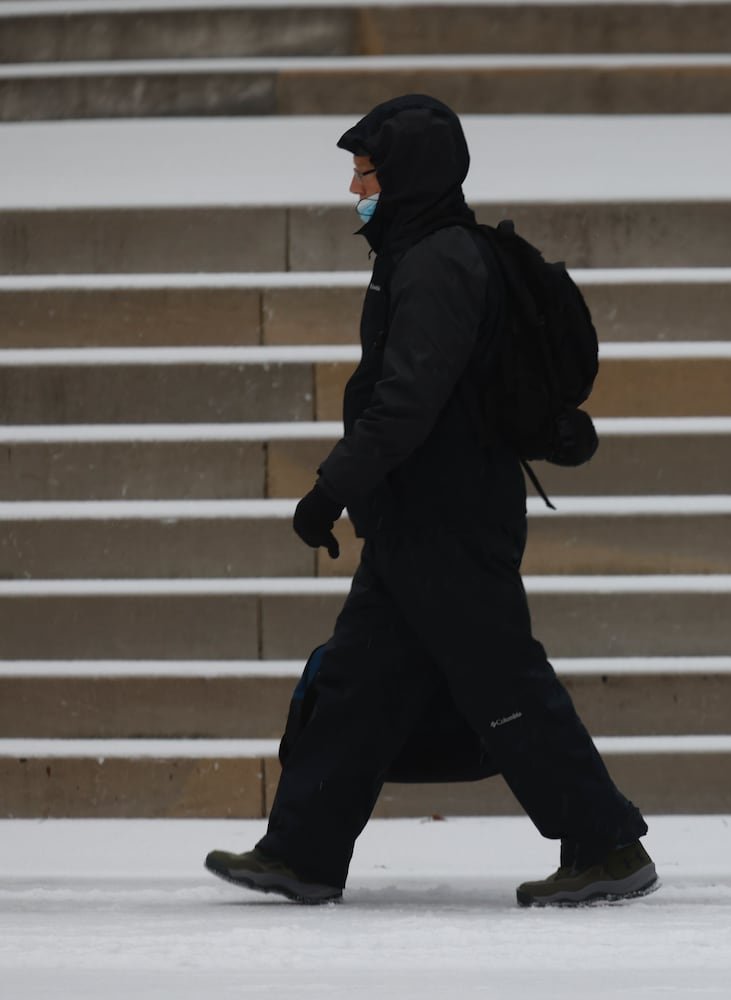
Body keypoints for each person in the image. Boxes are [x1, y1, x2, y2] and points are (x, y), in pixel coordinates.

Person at [204, 94, 654, 907]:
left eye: (364, 171)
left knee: (505, 685)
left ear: (405, 176)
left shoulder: (439, 262)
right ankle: (301, 852)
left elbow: (406, 401)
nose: (354, 189)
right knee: (357, 684)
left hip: (449, 521)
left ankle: (607, 844)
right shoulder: (419, 253)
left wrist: (329, 491)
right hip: (421, 518)